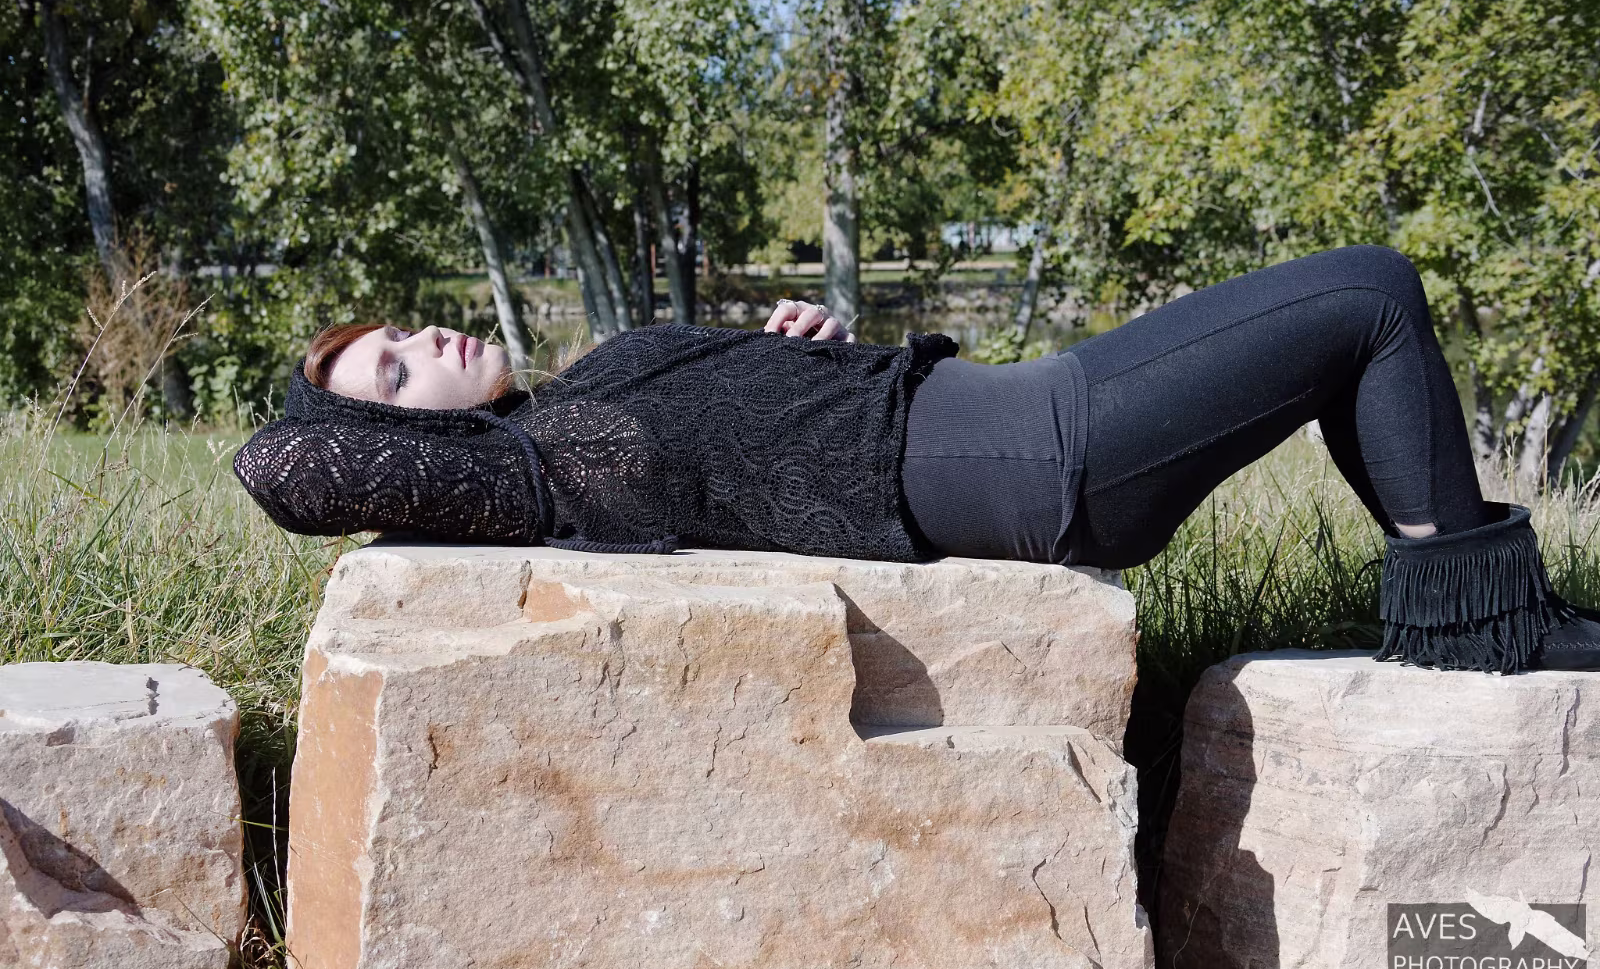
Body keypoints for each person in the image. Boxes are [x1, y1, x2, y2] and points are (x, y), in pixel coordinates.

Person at [235, 245, 1600, 674]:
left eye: (400, 332)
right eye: (395, 373)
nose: (424, 340)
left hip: (1026, 409)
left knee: (1355, 323)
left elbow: (758, 436)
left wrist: (811, 351)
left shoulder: (581, 398)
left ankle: (1471, 605)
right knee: (1369, 296)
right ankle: (1481, 624)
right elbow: (282, 468)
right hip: (1047, 456)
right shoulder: (537, 464)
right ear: (405, 439)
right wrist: (344, 420)